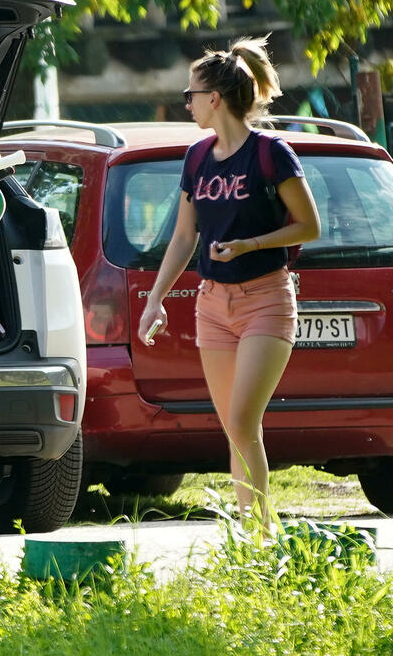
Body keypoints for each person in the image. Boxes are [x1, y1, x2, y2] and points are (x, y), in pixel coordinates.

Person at [137, 37, 321, 525]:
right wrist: (156, 299)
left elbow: (309, 225)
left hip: (266, 299)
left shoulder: (270, 153)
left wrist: (249, 245)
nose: (187, 102)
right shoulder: (196, 159)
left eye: (190, 94)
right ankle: (254, 541)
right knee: (235, 429)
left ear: (214, 99)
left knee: (242, 422)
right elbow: (182, 237)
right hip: (212, 304)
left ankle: (260, 537)